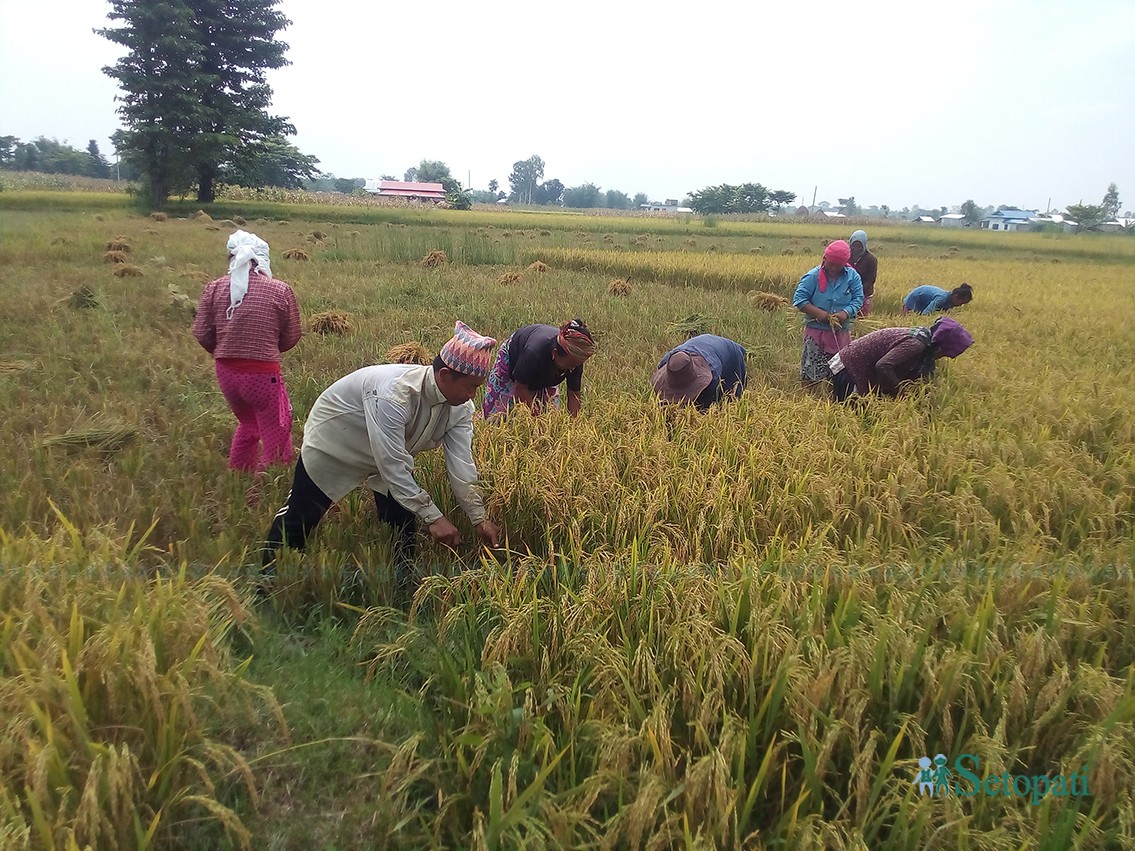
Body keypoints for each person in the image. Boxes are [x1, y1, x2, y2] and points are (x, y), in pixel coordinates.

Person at [260, 321, 503, 578]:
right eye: (471, 386)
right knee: (301, 515)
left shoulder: (461, 408)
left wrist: (479, 517)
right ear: (444, 376)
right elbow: (394, 466)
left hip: (387, 449)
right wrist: (435, 518)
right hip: (336, 442)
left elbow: (461, 464)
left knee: (402, 519)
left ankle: (401, 581)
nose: (474, 395)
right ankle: (266, 580)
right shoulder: (394, 395)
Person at [193, 230, 301, 496]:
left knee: (248, 424)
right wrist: (269, 349)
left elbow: (202, 333)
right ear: (262, 259)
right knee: (277, 426)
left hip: (226, 373)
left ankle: (238, 476)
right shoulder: (280, 290)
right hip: (263, 374)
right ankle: (265, 485)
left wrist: (224, 351)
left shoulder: (215, 288)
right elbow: (292, 334)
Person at [828, 316, 974, 401]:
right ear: (941, 346)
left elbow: (919, 377)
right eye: (946, 353)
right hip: (849, 369)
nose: (944, 357)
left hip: (856, 368)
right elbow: (884, 366)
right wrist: (900, 394)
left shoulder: (924, 342)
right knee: (850, 416)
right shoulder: (915, 344)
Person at [481, 319, 596, 418]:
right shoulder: (533, 353)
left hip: (546, 370)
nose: (572, 369)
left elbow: (573, 394)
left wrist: (574, 426)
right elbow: (521, 388)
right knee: (499, 415)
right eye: (570, 364)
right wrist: (537, 420)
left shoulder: (574, 359)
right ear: (554, 354)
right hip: (514, 360)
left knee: (550, 415)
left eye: (576, 365)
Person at [792, 240, 864, 394]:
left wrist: (845, 313)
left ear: (844, 264)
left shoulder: (852, 277)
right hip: (816, 331)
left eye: (837, 265)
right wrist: (820, 314)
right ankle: (809, 397)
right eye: (830, 263)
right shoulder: (812, 276)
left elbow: (858, 299)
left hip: (841, 331)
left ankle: (835, 397)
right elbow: (799, 299)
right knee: (811, 368)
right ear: (824, 259)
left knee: (839, 367)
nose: (832, 268)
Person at [651, 334, 747, 412]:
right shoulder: (668, 362)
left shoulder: (712, 373)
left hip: (730, 354)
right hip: (701, 345)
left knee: (730, 399)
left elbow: (709, 406)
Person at [849, 230, 878, 316]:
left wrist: (856, 290)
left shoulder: (871, 259)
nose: (856, 249)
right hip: (847, 294)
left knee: (861, 318)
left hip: (864, 294)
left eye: (859, 246)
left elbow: (870, 280)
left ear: (864, 245)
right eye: (854, 246)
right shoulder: (846, 257)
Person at [902, 283, 973, 315]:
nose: (960, 305)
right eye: (961, 303)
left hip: (923, 300)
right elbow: (926, 312)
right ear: (955, 297)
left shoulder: (950, 301)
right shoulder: (941, 298)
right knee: (908, 318)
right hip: (915, 297)